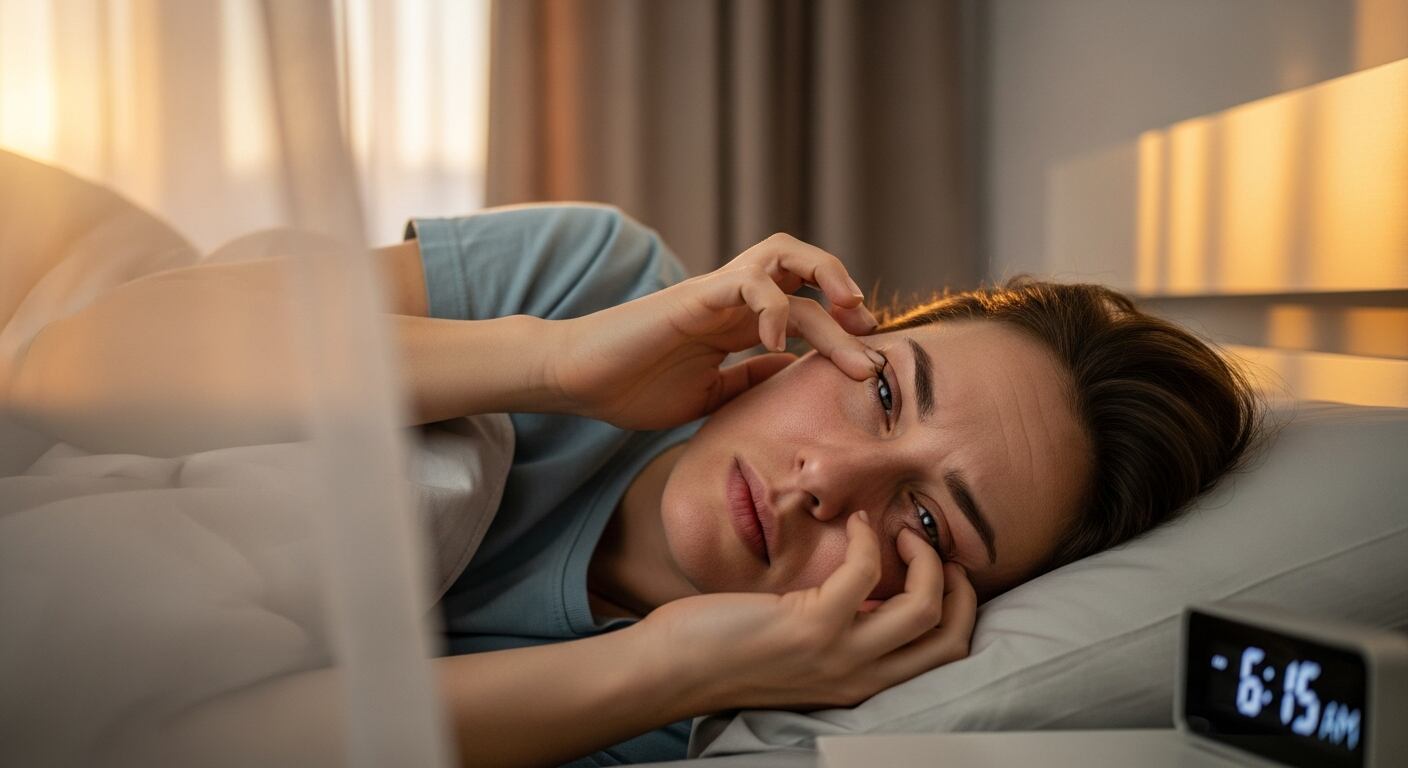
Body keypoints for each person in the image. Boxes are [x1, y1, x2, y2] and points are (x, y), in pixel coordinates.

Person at [4, 203, 1262, 767]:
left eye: (927, 519)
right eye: (880, 389)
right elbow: (69, 371)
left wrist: (667, 667)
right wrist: (557, 358)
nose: (831, 480)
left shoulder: (698, 724)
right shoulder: (600, 275)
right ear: (836, 328)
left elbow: (150, 746)